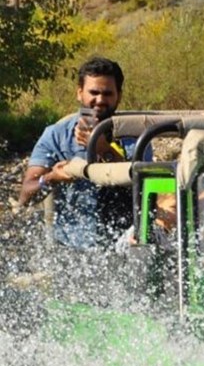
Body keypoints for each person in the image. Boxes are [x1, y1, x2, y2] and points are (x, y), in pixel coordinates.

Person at [18, 57, 135, 250]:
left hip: (124, 245)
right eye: (93, 92)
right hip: (71, 247)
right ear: (79, 93)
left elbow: (147, 190)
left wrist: (104, 149)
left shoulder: (134, 135)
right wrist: (52, 177)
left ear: (119, 96)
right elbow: (25, 196)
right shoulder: (56, 135)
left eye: (107, 93)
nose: (100, 100)